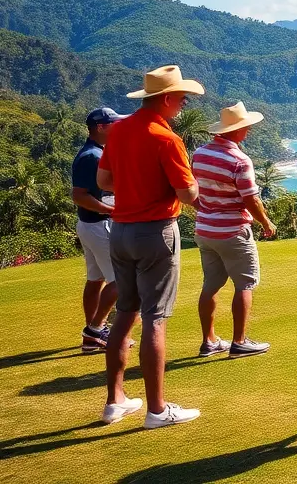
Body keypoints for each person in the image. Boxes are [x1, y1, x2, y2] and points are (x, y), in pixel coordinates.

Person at [97, 66, 205, 428]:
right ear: (166, 99)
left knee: (125, 313)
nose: (184, 103)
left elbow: (104, 180)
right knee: (155, 319)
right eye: (182, 98)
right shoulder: (166, 138)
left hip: (121, 230)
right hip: (155, 231)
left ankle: (115, 401)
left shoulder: (119, 130)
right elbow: (187, 194)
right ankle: (157, 410)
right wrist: (193, 187)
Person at [192, 102, 277, 358]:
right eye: (246, 126)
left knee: (211, 285)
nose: (248, 130)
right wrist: (266, 222)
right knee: (245, 284)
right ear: (238, 130)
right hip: (233, 230)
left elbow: (192, 189)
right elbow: (251, 198)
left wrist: (205, 208)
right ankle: (239, 342)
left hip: (205, 230)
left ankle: (209, 341)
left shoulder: (199, 153)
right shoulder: (239, 160)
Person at [71, 107, 126, 353]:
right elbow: (78, 195)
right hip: (99, 225)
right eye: (113, 124)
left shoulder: (94, 152)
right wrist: (109, 210)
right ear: (101, 127)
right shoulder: (92, 156)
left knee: (96, 279)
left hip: (89, 225)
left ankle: (93, 334)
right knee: (121, 280)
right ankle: (96, 329)